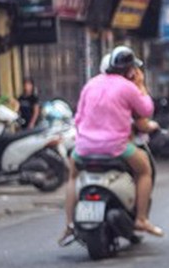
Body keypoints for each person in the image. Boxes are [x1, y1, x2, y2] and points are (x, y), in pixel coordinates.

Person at [60, 45, 162, 244]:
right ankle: (141, 218)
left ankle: (70, 224)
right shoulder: (128, 87)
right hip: (116, 148)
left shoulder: (91, 84)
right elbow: (147, 110)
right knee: (144, 170)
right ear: (131, 70)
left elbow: (79, 117)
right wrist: (141, 86)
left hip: (84, 149)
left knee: (72, 176)